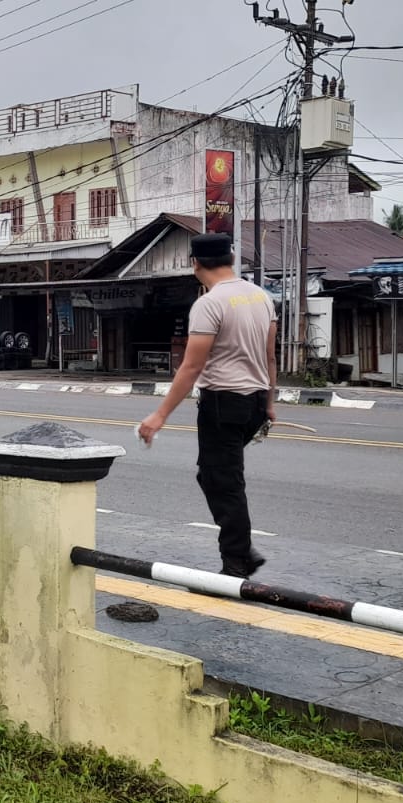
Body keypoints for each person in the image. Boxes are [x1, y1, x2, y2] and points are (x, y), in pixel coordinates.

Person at [137, 232, 277, 578]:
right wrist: (270, 403)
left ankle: (237, 561)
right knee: (216, 475)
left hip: (223, 402)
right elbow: (271, 356)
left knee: (223, 480)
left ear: (195, 263)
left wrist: (159, 414)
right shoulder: (260, 297)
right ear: (230, 259)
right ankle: (240, 551)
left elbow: (192, 366)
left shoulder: (209, 303)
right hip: (255, 401)